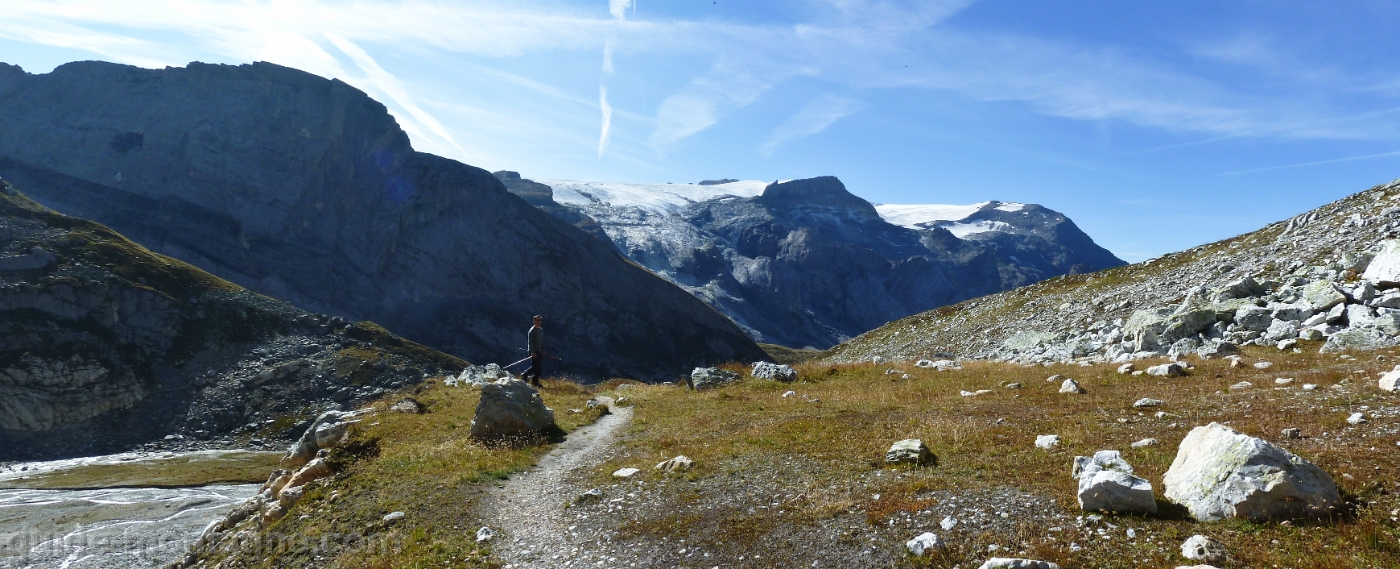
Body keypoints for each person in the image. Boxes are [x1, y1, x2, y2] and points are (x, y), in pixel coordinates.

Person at [525, 315, 545, 386]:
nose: (538, 322)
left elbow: (541, 341)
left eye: (540, 320)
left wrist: (543, 350)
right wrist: (533, 352)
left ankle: (535, 381)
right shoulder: (532, 330)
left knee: (539, 367)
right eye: (537, 320)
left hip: (539, 351)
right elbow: (530, 342)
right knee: (535, 366)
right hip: (534, 351)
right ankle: (525, 374)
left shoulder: (540, 330)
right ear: (534, 321)